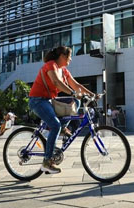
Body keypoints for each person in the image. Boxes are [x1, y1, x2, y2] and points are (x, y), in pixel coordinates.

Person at [27, 46, 94, 175]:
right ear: (62, 56)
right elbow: (57, 83)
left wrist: (92, 94)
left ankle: (63, 128)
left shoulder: (63, 70)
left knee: (76, 102)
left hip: (48, 100)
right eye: (69, 56)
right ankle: (47, 162)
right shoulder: (50, 65)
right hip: (37, 100)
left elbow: (76, 84)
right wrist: (74, 93)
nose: (71, 59)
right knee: (55, 125)